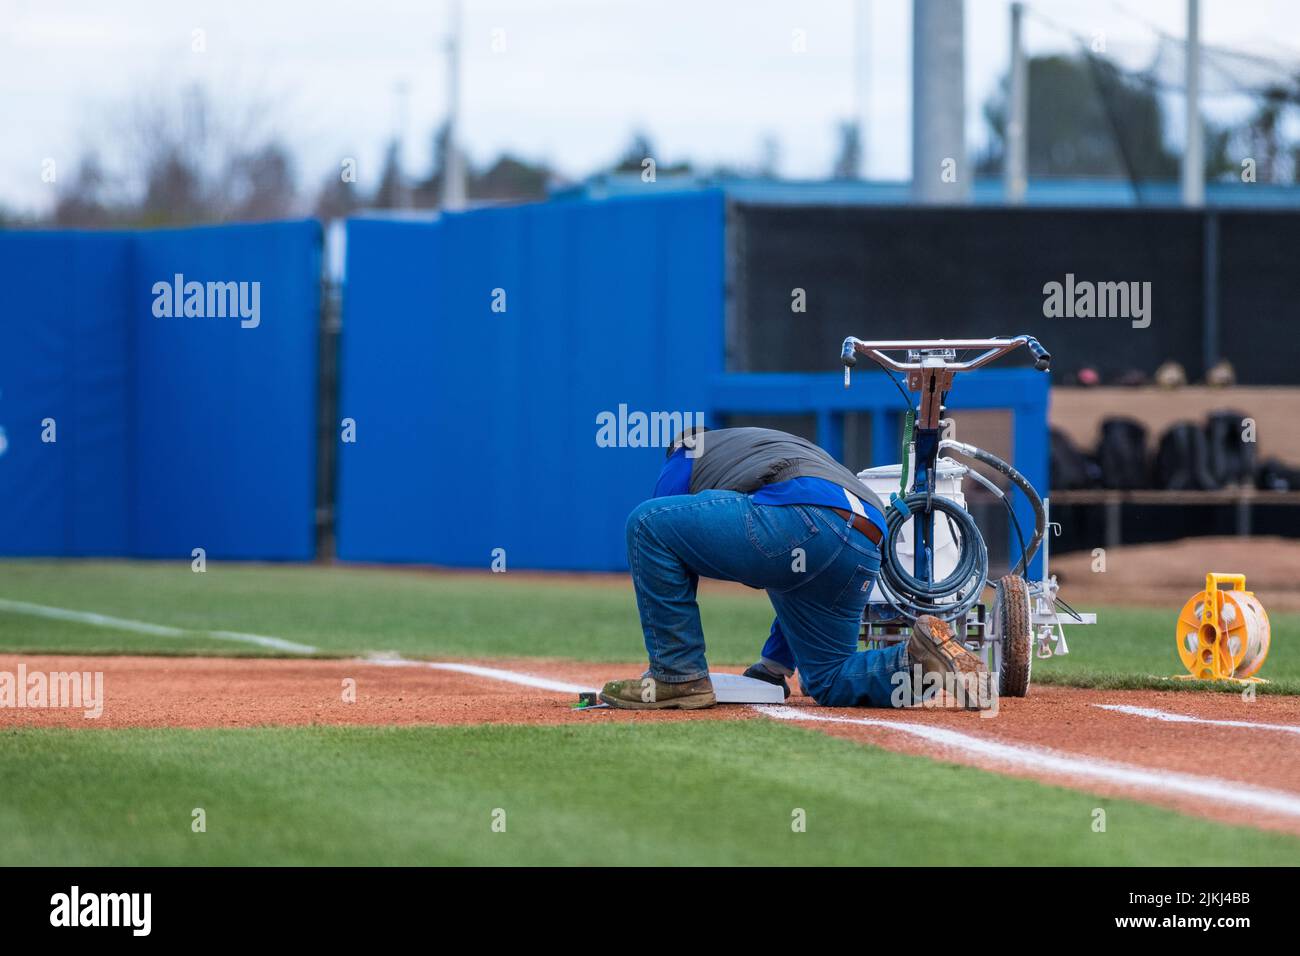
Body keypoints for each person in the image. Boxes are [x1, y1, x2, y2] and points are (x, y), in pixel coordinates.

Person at [600, 426, 987, 710]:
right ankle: (918, 660)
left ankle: (677, 677)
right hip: (865, 536)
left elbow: (666, 529)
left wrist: (672, 653)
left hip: (802, 517)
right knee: (829, 679)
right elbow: (795, 572)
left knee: (647, 524)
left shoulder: (685, 449)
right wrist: (773, 667)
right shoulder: (762, 443)